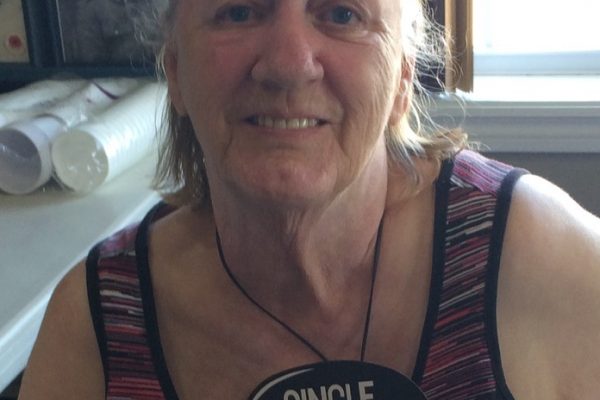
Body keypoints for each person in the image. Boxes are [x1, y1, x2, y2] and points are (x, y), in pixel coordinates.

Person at [18, 0, 600, 399]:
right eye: (239, 11)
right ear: (175, 69)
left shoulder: (542, 259)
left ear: (402, 76)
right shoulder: (97, 326)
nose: (289, 65)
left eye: (342, 14)